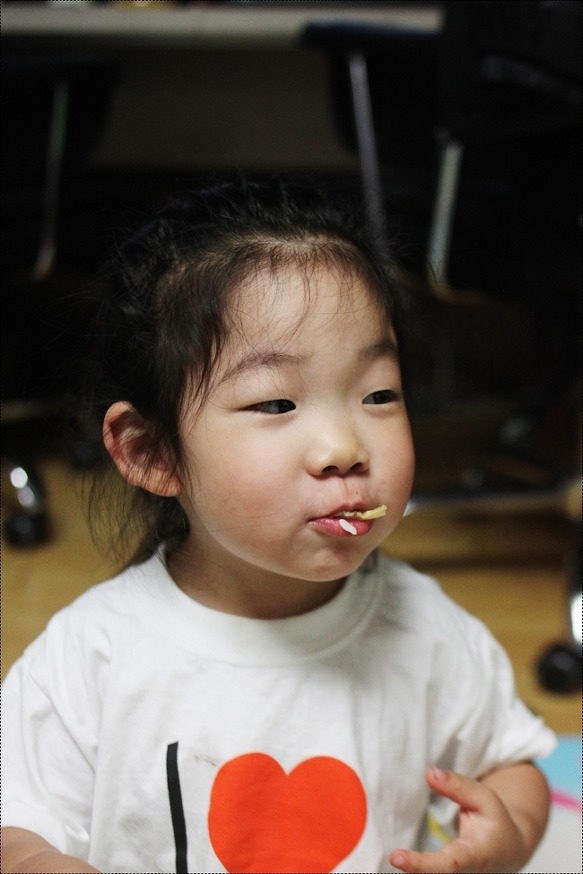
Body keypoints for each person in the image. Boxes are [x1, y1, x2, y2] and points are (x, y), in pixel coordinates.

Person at [1, 178, 556, 874]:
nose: (343, 448)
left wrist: (505, 837)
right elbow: (15, 827)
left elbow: (511, 764)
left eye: (378, 394)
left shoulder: (424, 629)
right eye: (273, 403)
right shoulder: (94, 657)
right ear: (153, 453)